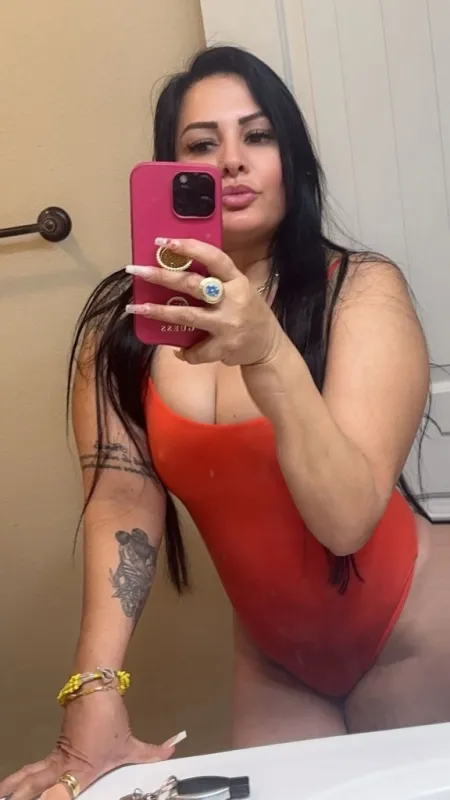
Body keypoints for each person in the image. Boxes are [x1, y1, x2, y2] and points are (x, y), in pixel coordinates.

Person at [2, 43, 450, 800]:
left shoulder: (361, 292)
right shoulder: (125, 328)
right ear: (171, 171)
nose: (233, 160)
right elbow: (121, 505)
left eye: (258, 135)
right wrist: (93, 691)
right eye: (202, 144)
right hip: (278, 665)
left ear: (292, 159)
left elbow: (346, 522)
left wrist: (268, 352)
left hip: (415, 636)